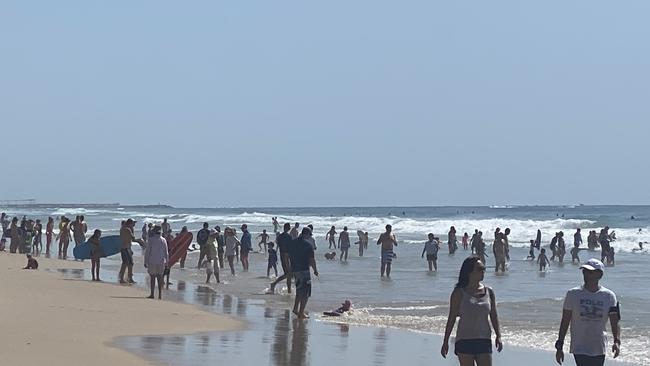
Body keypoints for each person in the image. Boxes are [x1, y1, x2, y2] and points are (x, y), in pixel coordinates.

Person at [555, 258, 620, 366]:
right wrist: (559, 345)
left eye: (590, 273)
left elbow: (615, 321)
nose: (587, 275)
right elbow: (565, 320)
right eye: (585, 272)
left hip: (599, 346)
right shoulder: (573, 294)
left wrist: (616, 341)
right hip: (579, 346)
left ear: (599, 275)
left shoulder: (609, 296)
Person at [441, 257, 503, 365]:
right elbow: (451, 318)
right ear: (469, 272)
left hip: (484, 339)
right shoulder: (459, 293)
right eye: (479, 269)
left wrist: (499, 335)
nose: (483, 271)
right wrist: (445, 341)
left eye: (484, 268)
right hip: (465, 340)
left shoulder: (489, 291)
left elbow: (493, 315)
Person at [289, 227, 319, 318]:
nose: (309, 237)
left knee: (299, 290)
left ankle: (295, 308)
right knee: (306, 293)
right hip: (304, 271)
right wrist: (315, 270)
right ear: (306, 234)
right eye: (309, 235)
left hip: (295, 270)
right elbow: (311, 260)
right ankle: (301, 312)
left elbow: (287, 254)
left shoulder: (293, 243)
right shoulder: (308, 245)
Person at [144, 225, 168, 299]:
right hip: (161, 261)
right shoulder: (163, 240)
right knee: (160, 277)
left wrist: (145, 261)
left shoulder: (151, 240)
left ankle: (152, 294)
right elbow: (166, 252)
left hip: (152, 260)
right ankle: (160, 294)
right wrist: (167, 261)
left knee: (152, 277)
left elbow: (148, 251)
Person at [269, 223, 294, 294]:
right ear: (288, 228)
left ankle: (289, 290)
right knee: (288, 274)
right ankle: (274, 283)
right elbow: (290, 247)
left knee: (288, 274)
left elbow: (279, 245)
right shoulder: (289, 236)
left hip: (282, 255)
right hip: (287, 255)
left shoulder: (280, 236)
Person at [118, 219, 143, 284]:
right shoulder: (128, 229)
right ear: (130, 223)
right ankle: (128, 278)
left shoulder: (122, 228)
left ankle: (123, 278)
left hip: (124, 247)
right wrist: (140, 241)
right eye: (133, 224)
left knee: (125, 263)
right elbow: (133, 238)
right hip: (126, 248)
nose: (134, 225)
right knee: (129, 263)